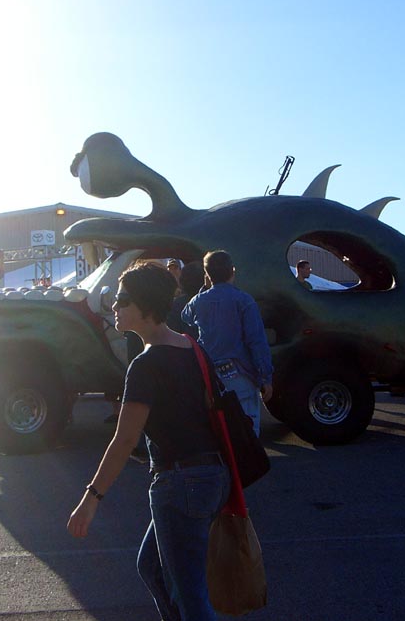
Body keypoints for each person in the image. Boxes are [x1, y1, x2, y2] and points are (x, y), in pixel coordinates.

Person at [67, 262, 229, 621]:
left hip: (180, 482)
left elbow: (124, 440)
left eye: (122, 300)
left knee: (191, 596)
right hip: (211, 476)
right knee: (152, 568)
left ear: (146, 307)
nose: (114, 306)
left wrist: (90, 499)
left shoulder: (146, 364)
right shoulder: (192, 347)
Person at [182, 250, 273, 435]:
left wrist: (204, 288)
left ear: (207, 275)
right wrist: (265, 377)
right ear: (233, 270)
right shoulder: (244, 300)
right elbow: (256, 341)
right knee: (246, 430)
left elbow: (185, 316)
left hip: (210, 375)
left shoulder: (198, 301)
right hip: (240, 372)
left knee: (220, 431)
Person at [166, 260, 204, 338]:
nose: (172, 271)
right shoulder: (217, 303)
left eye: (175, 268)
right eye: (170, 268)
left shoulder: (175, 306)